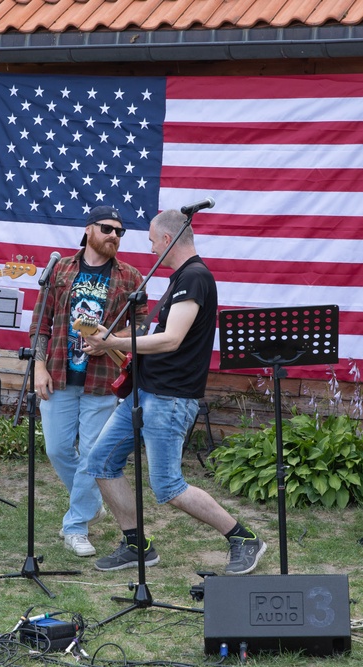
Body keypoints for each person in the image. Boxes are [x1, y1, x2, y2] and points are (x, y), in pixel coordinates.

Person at [82, 209, 267, 575]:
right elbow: (155, 340)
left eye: (152, 241)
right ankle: (137, 546)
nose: (150, 249)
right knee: (101, 462)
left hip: (169, 398)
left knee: (167, 486)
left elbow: (171, 339)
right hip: (145, 393)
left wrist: (115, 341)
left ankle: (243, 538)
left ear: (167, 240)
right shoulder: (180, 279)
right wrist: (113, 344)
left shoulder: (195, 278)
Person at [31, 205, 146, 557]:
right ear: (88, 230)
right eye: (107, 229)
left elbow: (141, 326)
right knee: (57, 449)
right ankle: (91, 502)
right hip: (59, 374)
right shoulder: (61, 269)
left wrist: (110, 340)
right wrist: (38, 366)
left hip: (103, 378)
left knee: (92, 454)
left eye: (119, 231)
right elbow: (41, 322)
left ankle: (76, 525)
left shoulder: (130, 276)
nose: (114, 236)